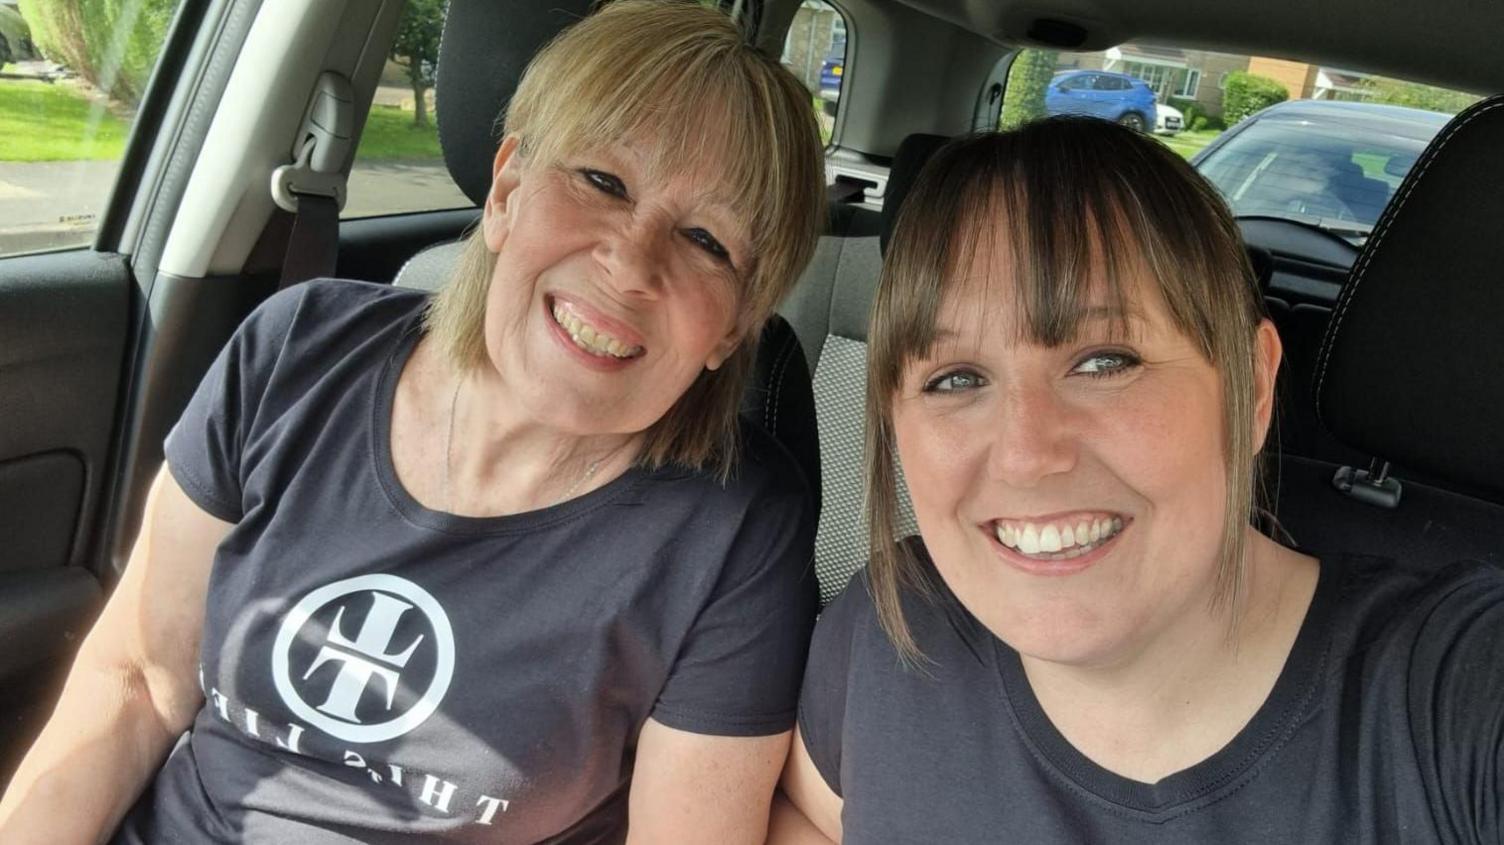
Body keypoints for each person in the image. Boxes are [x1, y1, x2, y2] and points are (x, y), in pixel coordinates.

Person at [0, 2, 825, 842]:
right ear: (506, 191)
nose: (633, 262)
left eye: (705, 239)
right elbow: (138, 678)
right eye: (603, 181)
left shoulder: (735, 532)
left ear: (734, 326)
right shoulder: (295, 353)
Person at [770, 119, 1504, 843]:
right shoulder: (892, 625)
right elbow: (809, 814)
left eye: (1104, 361)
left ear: (1250, 388)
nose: (1026, 454)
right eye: (955, 378)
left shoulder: (1453, 697)